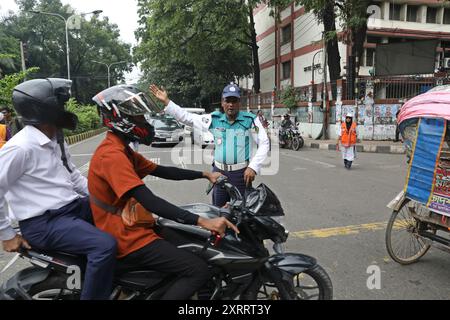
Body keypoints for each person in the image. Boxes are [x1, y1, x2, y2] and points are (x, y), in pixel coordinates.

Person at [90, 85, 239, 300]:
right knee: (197, 270)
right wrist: (202, 221)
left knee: (198, 246)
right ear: (121, 118)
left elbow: (163, 170)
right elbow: (150, 201)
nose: (145, 122)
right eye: (139, 117)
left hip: (138, 226)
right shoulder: (111, 155)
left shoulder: (122, 149)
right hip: (127, 237)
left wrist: (204, 174)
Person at [0, 78, 117, 300]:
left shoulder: (55, 139)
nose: (64, 110)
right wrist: (6, 234)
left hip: (72, 208)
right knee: (104, 246)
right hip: (44, 223)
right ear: (45, 109)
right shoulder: (21, 148)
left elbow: (73, 176)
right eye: (60, 105)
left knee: (124, 215)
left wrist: (104, 199)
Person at [150, 83, 270, 208]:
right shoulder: (214, 119)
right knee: (218, 211)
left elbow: (264, 142)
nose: (231, 104)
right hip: (219, 174)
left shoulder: (250, 120)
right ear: (222, 102)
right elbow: (187, 118)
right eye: (227, 100)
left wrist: (253, 167)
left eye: (234, 101)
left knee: (242, 213)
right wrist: (167, 101)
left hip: (241, 174)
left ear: (239, 103)